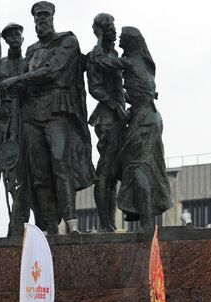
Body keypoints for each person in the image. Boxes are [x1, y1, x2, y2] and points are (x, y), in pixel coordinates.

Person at [0, 1, 96, 235]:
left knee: (60, 163)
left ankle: (71, 222)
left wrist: (17, 81)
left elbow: (52, 71)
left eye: (44, 15)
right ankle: (48, 225)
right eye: (37, 17)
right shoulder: (31, 50)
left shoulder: (67, 41)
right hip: (31, 114)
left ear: (52, 17)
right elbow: (25, 77)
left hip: (56, 111)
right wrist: (15, 88)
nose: (40, 20)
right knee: (39, 172)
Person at [116, 26, 173, 230]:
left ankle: (147, 222)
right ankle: (142, 216)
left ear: (130, 41)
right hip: (148, 117)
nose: (118, 40)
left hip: (145, 119)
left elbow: (106, 62)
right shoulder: (142, 62)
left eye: (122, 37)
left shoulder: (132, 63)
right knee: (138, 167)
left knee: (137, 167)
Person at [0, 23, 29, 237]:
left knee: (19, 178)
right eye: (9, 35)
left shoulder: (28, 63)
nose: (14, 38)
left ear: (22, 37)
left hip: (21, 121)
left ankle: (18, 224)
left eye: (17, 34)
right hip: (1, 123)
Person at [87, 13, 126, 233]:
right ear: (102, 30)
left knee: (113, 174)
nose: (115, 29)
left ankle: (109, 223)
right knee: (105, 170)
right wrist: (113, 105)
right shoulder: (97, 55)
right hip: (107, 119)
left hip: (119, 118)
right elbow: (95, 88)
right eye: (110, 26)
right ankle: (104, 223)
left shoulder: (112, 53)